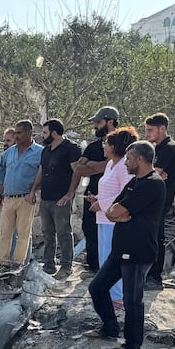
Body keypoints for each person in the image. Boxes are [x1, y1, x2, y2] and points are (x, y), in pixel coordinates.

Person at [84, 140, 165, 349]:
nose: (126, 162)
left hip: (138, 250)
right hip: (120, 249)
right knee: (97, 287)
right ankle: (110, 328)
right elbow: (113, 211)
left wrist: (119, 212)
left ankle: (132, 345)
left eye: (129, 159)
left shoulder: (153, 184)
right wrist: (119, 213)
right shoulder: (133, 183)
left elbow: (117, 211)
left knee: (132, 299)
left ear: (140, 159)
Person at [87, 127, 138, 310]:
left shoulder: (124, 166)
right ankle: (107, 293)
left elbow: (125, 193)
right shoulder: (110, 164)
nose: (103, 146)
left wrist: (102, 204)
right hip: (103, 217)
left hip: (114, 219)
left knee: (112, 259)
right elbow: (111, 190)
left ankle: (117, 297)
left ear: (115, 146)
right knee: (104, 257)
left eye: (106, 143)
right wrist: (98, 199)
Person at [70, 106, 120, 272]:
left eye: (98, 122)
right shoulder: (93, 147)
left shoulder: (123, 144)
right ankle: (94, 267)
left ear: (110, 122)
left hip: (113, 198)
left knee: (111, 235)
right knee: (90, 230)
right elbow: (78, 168)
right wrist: (97, 166)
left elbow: (111, 165)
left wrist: (91, 165)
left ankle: (109, 270)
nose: (95, 126)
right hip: (92, 196)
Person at [30, 119, 82, 276]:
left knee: (64, 233)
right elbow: (41, 170)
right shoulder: (46, 151)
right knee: (47, 233)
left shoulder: (71, 149)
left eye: (45, 133)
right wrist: (33, 190)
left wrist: (70, 193)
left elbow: (77, 172)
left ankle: (66, 266)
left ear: (54, 133)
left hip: (61, 198)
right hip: (46, 197)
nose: (42, 136)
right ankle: (48, 265)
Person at [0, 119, 42, 268]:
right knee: (5, 232)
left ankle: (18, 264)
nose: (16, 136)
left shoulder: (39, 152)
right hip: (8, 198)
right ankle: (4, 263)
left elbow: (44, 171)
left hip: (26, 198)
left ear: (29, 133)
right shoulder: (10, 152)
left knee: (23, 233)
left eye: (19, 133)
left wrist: (34, 190)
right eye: (16, 132)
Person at [144, 113, 175, 286]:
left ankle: (155, 277)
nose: (147, 134)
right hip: (151, 199)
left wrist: (151, 172)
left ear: (162, 129)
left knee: (156, 238)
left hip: (161, 200)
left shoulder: (169, 148)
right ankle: (146, 273)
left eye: (150, 130)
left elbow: (151, 172)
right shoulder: (155, 148)